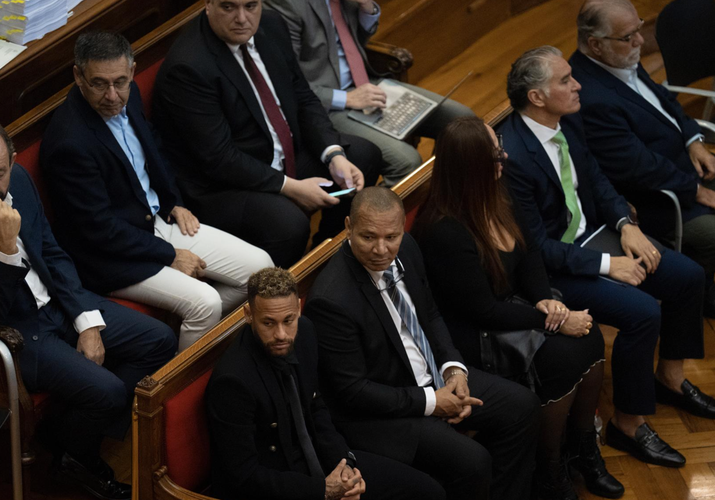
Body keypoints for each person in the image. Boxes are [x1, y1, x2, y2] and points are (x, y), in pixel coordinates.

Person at [0, 118, 177, 500]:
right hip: (17, 331)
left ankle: (64, 438)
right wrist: (4, 249)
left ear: (13, 162)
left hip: (58, 303)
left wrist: (86, 321)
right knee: (109, 393)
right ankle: (79, 456)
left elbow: (52, 253)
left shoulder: (19, 180)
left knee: (159, 341)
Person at [500, 46, 715, 470]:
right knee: (640, 312)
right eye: (565, 80)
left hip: (599, 235)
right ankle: (628, 423)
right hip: (559, 266)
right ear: (537, 97)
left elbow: (596, 179)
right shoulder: (514, 156)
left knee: (687, 276)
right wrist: (607, 265)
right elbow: (537, 247)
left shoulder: (567, 120)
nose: (578, 83)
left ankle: (669, 377)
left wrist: (624, 223)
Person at [411, 116, 621, 500]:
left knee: (589, 341)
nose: (504, 157)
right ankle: (549, 470)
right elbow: (483, 311)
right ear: (471, 166)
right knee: (561, 358)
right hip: (477, 335)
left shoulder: (498, 190)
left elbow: (531, 255)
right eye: (495, 154)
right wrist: (552, 321)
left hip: (517, 309)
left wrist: (544, 297)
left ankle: (584, 452)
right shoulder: (444, 230)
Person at [303, 186, 541, 500]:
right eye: (368, 237)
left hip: (432, 376)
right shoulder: (331, 300)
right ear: (348, 228)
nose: (381, 250)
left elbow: (429, 313)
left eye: (391, 237)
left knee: (522, 406)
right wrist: (432, 401)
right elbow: (353, 393)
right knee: (473, 461)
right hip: (384, 413)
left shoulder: (408, 248)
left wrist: (454, 370)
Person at [41, 32, 273, 351]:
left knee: (260, 269)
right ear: (78, 76)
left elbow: (154, 151)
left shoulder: (129, 93)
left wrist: (173, 202)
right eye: (99, 83)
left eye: (120, 81)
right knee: (204, 303)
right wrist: (170, 256)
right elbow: (98, 229)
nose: (112, 95)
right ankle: (172, 390)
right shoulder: (69, 142)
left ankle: (194, 334)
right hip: (109, 256)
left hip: (155, 220)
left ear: (133, 72)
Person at [152, 0, 382, 268]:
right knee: (288, 225)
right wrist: (291, 187)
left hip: (280, 155)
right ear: (209, 5)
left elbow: (303, 97)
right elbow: (219, 159)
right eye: (229, 7)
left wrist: (334, 155)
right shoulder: (188, 67)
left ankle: (329, 256)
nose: (242, 18)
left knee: (363, 156)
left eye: (250, 6)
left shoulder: (271, 26)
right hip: (223, 187)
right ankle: (284, 285)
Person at [206, 267, 446, 500]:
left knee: (428, 491)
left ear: (299, 307)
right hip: (281, 484)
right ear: (248, 314)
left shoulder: (306, 334)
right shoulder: (232, 381)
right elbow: (245, 477)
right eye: (268, 323)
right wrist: (322, 491)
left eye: (288, 320)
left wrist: (345, 466)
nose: (281, 334)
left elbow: (315, 407)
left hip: (321, 460)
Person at [568, 0, 715, 315]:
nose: (640, 42)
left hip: (685, 168)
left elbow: (665, 100)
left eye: (639, 29)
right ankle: (706, 300)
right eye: (629, 36)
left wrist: (693, 139)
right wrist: (696, 190)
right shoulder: (592, 97)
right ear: (595, 44)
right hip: (660, 199)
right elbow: (640, 167)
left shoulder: (619, 56)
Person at [263, 0, 474, 187]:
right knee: (407, 162)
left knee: (462, 120)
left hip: (368, 84)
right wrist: (347, 98)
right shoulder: (286, 4)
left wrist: (367, 7)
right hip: (328, 104)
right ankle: (378, 222)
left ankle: (445, 199)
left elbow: (355, 39)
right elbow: (288, 82)